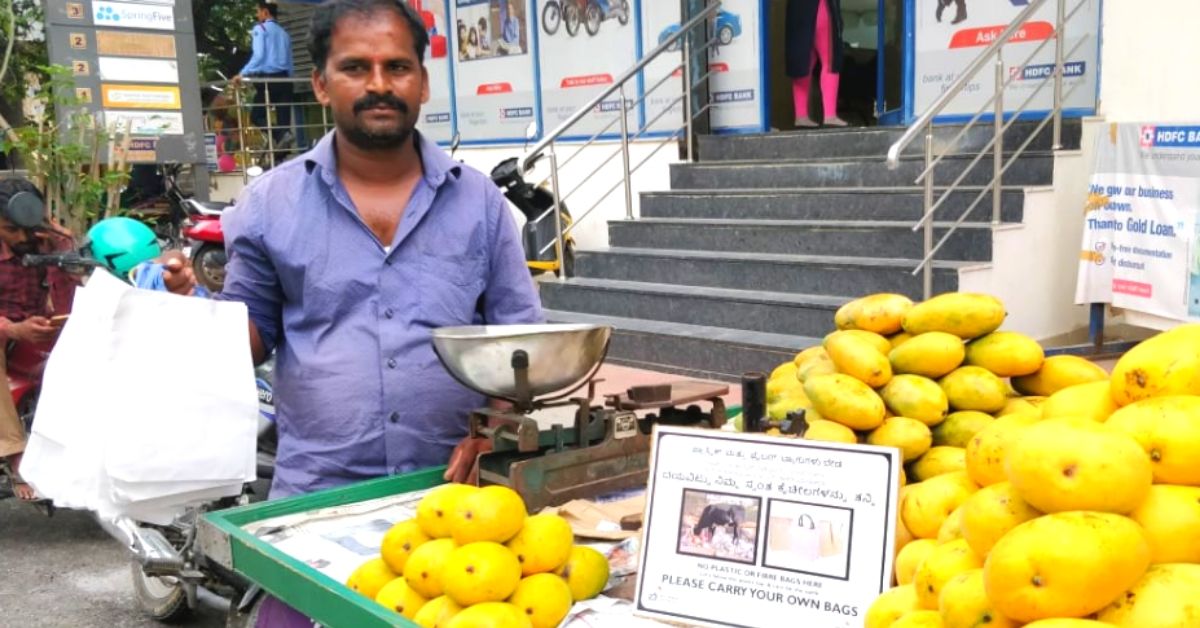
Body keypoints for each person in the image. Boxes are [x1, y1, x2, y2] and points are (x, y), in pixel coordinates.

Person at [163, 1, 542, 621]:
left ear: (421, 80)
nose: (378, 84)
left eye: (397, 66)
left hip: (456, 501)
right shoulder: (269, 203)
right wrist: (193, 314)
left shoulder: (479, 203)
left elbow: (518, 343)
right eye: (355, 67)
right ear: (321, 83)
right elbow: (250, 337)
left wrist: (493, 432)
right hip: (314, 501)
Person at [0, 178, 76, 502]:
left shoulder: (47, 240)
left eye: (25, 229)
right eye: (9, 230)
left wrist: (63, 253)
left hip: (37, 323)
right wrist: (13, 329)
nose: (21, 238)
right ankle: (16, 453)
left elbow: (68, 303)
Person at [234, 1, 295, 148]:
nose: (257, 15)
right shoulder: (284, 33)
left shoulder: (260, 29)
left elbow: (259, 55)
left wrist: (242, 73)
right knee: (283, 122)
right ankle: (282, 142)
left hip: (269, 80)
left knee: (257, 115)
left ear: (265, 12)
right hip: (285, 80)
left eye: (258, 12)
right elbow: (290, 61)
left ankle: (279, 135)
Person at [786, 0, 847, 128]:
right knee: (830, 59)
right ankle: (830, 115)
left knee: (803, 61)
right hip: (820, 7)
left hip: (798, 10)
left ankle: (801, 115)